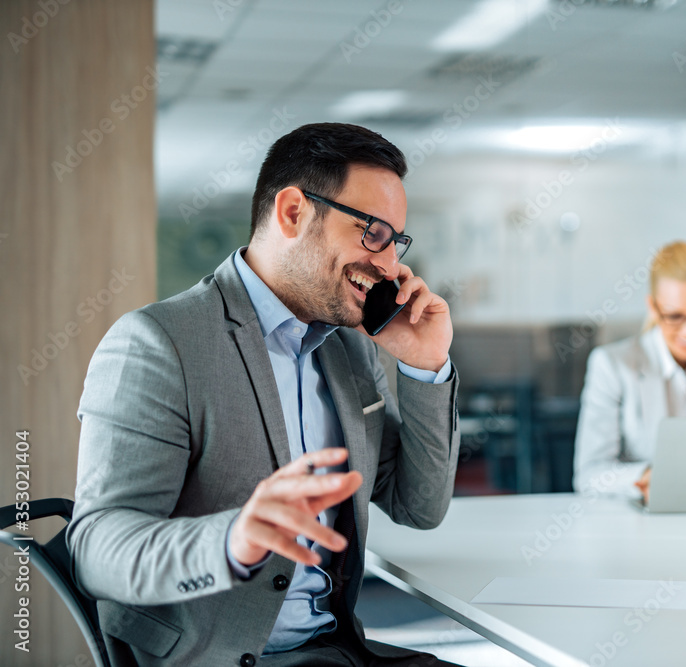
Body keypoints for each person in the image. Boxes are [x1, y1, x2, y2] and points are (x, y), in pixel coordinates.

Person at [67, 123, 463, 667]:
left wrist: (426, 368)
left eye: (396, 241)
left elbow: (417, 507)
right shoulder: (159, 343)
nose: (390, 265)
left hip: (336, 650)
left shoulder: (348, 349)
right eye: (372, 232)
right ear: (293, 212)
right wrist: (232, 539)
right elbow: (96, 549)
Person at [573, 241, 686, 503]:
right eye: (675, 316)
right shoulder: (612, 366)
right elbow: (589, 475)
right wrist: (648, 477)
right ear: (653, 307)